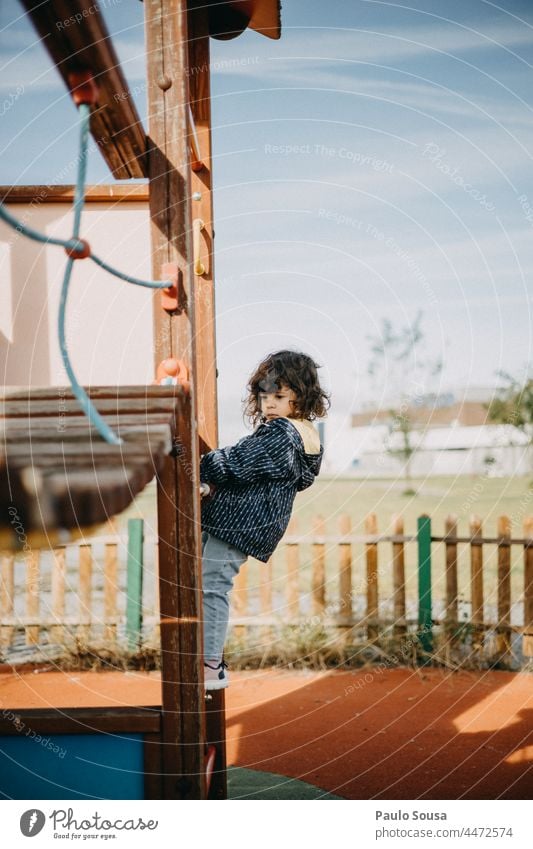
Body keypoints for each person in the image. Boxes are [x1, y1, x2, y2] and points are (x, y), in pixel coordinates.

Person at [199, 349, 330, 689]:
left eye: (279, 396)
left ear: (299, 397)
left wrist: (198, 464)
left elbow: (239, 461)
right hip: (244, 520)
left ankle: (210, 663)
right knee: (205, 583)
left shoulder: (280, 435)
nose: (269, 403)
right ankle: (207, 655)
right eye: (263, 396)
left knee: (212, 587)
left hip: (236, 524)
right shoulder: (302, 434)